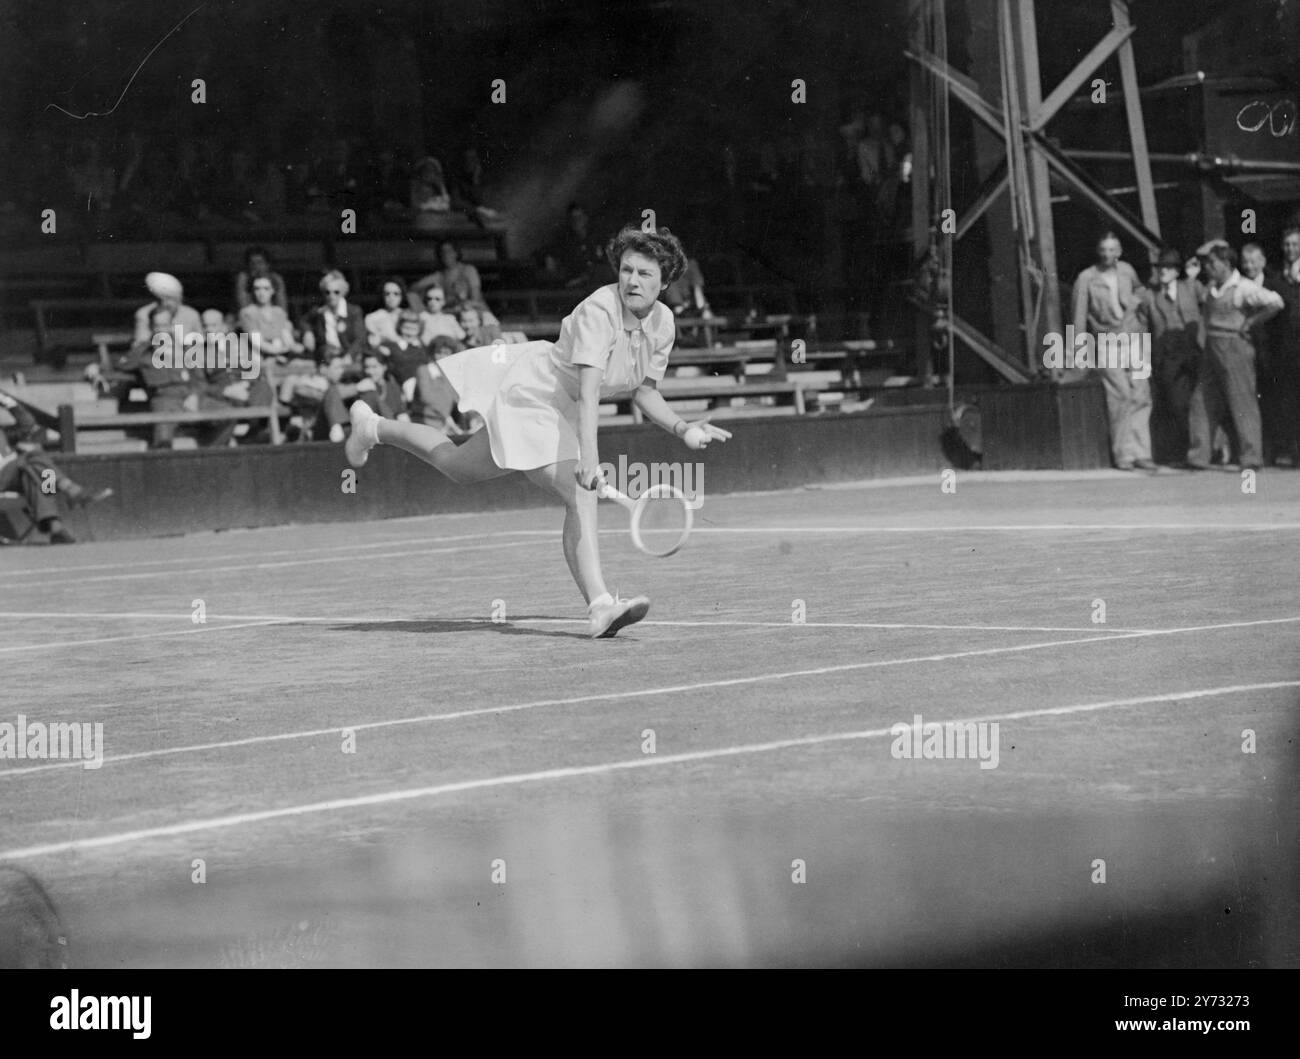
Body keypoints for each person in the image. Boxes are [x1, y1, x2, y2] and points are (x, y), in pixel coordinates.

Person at [343, 224, 732, 638]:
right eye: (626, 269)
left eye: (645, 274)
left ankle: (373, 426)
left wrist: (682, 426)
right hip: (536, 397)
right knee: (578, 492)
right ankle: (600, 605)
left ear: (666, 281)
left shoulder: (663, 324)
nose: (632, 280)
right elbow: (588, 394)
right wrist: (590, 459)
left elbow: (645, 391)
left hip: (562, 410)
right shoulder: (600, 312)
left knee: (457, 465)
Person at [1187, 243, 1284, 471]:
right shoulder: (1212, 287)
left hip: (1235, 347)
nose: (1208, 267)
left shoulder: (1243, 287)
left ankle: (1251, 458)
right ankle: (1198, 456)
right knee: (1201, 400)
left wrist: (1251, 321)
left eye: (1213, 263)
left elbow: (1275, 302)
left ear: (1227, 264)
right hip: (1212, 347)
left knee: (1242, 402)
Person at [1071, 232, 1153, 470]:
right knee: (1120, 395)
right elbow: (1078, 315)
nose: (1108, 255)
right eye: (1104, 250)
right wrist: (1078, 350)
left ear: (1119, 252)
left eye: (1112, 250)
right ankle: (1124, 455)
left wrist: (1138, 307)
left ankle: (1142, 453)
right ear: (1099, 251)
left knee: (1141, 393)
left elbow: (1140, 292)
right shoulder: (1086, 278)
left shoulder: (1127, 270)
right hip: (1108, 341)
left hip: (1136, 340)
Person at [0, 392, 111, 544]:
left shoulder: (3, 433)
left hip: (17, 477)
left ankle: (56, 529)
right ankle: (71, 490)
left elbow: (28, 423)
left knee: (37, 477)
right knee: (33, 457)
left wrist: (4, 399)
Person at [1136, 248, 1202, 465]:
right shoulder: (1150, 296)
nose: (1163, 271)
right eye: (1161, 267)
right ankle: (1180, 453)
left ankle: (1209, 450)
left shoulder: (1191, 287)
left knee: (1198, 401)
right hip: (1167, 357)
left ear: (1176, 271)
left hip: (1194, 353)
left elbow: (1212, 302)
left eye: (1168, 267)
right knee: (1176, 403)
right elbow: (1143, 326)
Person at [132, 272, 202, 346]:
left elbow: (200, 344)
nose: (166, 303)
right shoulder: (144, 314)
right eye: (162, 299)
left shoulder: (191, 314)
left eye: (171, 298)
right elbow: (140, 344)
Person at [365, 277, 407, 348]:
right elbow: (373, 343)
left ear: (402, 296)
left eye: (396, 294)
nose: (391, 297)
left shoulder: (409, 316)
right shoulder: (372, 318)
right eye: (387, 294)